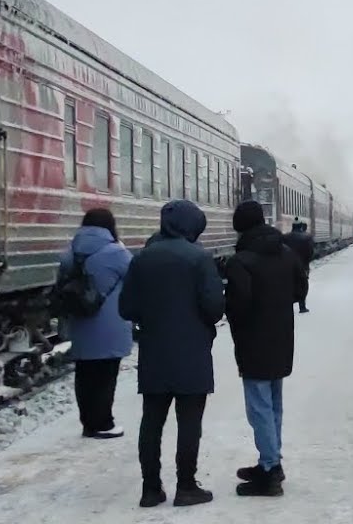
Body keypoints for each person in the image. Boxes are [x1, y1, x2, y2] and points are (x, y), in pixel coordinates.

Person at [118, 199, 224, 508]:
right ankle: (187, 486)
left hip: (154, 352)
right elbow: (215, 308)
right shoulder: (199, 259)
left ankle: (150, 489)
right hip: (192, 352)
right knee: (189, 422)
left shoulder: (141, 259)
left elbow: (126, 308)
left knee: (151, 421)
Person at [225, 201, 308, 497]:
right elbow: (301, 290)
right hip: (282, 339)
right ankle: (271, 460)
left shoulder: (241, 261)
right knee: (273, 404)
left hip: (253, 342)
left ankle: (270, 470)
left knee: (258, 407)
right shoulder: (286, 253)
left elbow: (238, 305)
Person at [59, 208, 133, 439]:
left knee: (84, 375)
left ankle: (88, 423)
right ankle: (103, 423)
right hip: (110, 326)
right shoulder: (117, 253)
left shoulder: (70, 253)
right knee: (105, 377)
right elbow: (135, 277)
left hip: (81, 324)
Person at [283, 219, 315, 313]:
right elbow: (311, 252)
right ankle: (302, 306)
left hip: (288, 264)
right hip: (303, 264)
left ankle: (289, 305)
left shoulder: (285, 237)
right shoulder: (307, 237)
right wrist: (307, 262)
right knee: (303, 285)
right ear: (301, 226)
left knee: (289, 284)